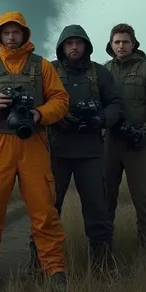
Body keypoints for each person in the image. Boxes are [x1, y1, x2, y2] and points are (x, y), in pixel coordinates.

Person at [0, 11, 69, 292]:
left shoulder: (42, 66)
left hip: (34, 143)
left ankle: (55, 270)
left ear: (24, 34)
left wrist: (38, 113)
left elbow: (60, 101)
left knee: (44, 210)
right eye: (6, 32)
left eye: (16, 32)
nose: (11, 37)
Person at [27, 24, 123, 274]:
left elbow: (115, 104)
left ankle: (102, 262)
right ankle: (39, 261)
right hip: (55, 150)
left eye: (78, 43)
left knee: (97, 207)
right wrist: (56, 116)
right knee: (47, 207)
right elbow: (35, 103)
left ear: (86, 46)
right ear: (61, 46)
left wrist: (99, 119)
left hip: (90, 151)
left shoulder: (99, 73)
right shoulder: (49, 70)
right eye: (69, 43)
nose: (74, 47)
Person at [104, 23, 146, 247]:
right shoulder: (104, 70)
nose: (121, 46)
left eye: (125, 42)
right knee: (104, 201)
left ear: (134, 44)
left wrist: (145, 133)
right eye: (117, 42)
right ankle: (103, 252)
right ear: (110, 45)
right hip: (109, 145)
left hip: (139, 145)